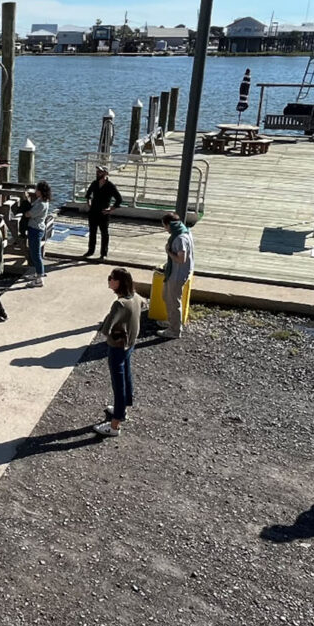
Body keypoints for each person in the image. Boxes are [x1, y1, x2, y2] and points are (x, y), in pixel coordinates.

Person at [93, 268, 147, 437]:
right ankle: (122, 408)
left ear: (118, 283)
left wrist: (111, 328)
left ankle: (115, 424)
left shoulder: (119, 304)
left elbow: (106, 329)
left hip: (117, 347)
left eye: (111, 278)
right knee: (126, 376)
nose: (109, 280)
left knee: (118, 383)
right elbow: (145, 304)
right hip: (129, 344)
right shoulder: (136, 297)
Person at [159, 212, 194, 336]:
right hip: (176, 272)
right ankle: (172, 321)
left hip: (177, 274)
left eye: (165, 226)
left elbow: (181, 259)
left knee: (173, 302)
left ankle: (174, 330)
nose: (165, 229)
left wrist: (168, 252)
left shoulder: (179, 239)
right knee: (167, 297)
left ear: (170, 225)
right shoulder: (185, 232)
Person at [81, 166, 124, 261]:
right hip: (93, 212)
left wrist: (110, 209)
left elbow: (119, 199)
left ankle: (103, 253)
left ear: (105, 174)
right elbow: (88, 195)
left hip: (104, 213)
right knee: (92, 232)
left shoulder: (110, 186)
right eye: (97, 172)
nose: (97, 173)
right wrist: (89, 205)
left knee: (104, 233)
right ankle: (90, 251)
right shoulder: (94, 183)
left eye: (100, 172)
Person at [22, 182, 57, 287]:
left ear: (41, 191)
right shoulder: (40, 200)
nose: (35, 191)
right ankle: (37, 274)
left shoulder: (42, 204)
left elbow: (29, 214)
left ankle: (40, 278)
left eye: (37, 189)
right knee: (33, 253)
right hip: (34, 229)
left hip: (36, 230)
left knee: (36, 255)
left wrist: (25, 203)